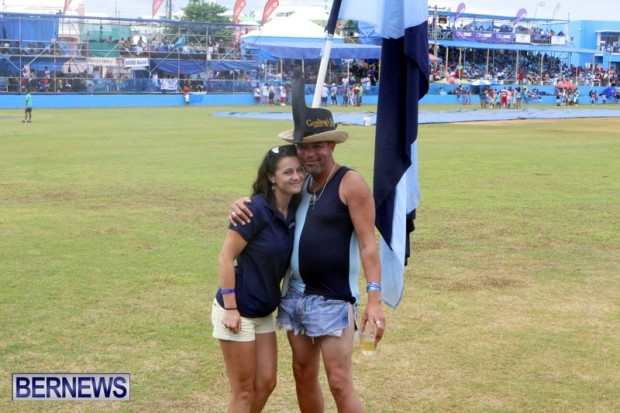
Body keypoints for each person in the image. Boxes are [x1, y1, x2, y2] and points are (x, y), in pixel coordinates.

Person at [230, 71, 385, 413]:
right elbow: (265, 201)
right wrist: (241, 203)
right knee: (302, 373)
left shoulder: (350, 182)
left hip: (333, 298)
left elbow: (368, 245)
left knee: (340, 383)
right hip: (295, 296)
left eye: (317, 145)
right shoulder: (299, 184)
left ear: (332, 145)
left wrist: (374, 300)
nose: (310, 153)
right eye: (303, 146)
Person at [213, 144, 305, 413]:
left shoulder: (296, 208)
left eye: (299, 170)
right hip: (238, 310)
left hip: (264, 311)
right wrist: (231, 309)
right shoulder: (253, 209)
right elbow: (225, 258)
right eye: (287, 172)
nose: (296, 176)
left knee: (266, 383)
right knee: (243, 391)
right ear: (271, 177)